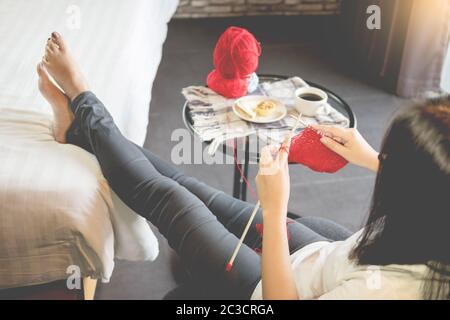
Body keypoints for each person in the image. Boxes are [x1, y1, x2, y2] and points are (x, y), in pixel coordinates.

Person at [38, 32, 449, 300]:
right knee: (190, 186)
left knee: (167, 197)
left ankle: (84, 99)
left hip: (274, 291)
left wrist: (273, 208)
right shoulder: (432, 218)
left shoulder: (389, 292)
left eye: (391, 161)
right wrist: (372, 159)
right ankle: (77, 129)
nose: (384, 162)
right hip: (325, 261)